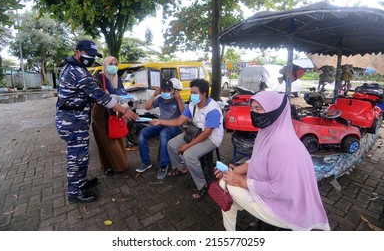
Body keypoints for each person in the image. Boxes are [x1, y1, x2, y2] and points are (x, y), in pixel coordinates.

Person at [214, 91, 330, 231]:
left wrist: (241, 181)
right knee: (228, 181)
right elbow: (257, 159)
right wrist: (235, 171)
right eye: (252, 108)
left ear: (275, 111)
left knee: (224, 183)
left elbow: (281, 190)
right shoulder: (270, 131)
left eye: (258, 109)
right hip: (281, 196)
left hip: (288, 208)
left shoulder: (282, 144)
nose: (253, 113)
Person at [55, 40, 139, 203]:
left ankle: (80, 183)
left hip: (75, 120)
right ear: (77, 52)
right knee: (76, 157)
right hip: (72, 122)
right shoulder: (77, 72)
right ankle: (75, 192)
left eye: (94, 56)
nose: (92, 58)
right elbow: (100, 96)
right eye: (89, 55)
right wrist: (125, 111)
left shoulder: (75, 67)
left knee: (81, 155)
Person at [151, 79, 224, 200]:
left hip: (211, 138)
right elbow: (179, 121)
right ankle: (181, 168)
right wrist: (160, 121)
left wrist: (187, 147)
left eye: (195, 92)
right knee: (171, 144)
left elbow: (207, 133)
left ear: (204, 94)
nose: (192, 95)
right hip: (195, 132)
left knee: (189, 155)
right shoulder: (192, 105)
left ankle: (203, 185)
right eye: (191, 92)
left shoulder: (213, 109)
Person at [136, 78, 186, 180]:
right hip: (162, 124)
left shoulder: (177, 100)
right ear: (161, 91)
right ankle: (146, 162)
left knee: (164, 134)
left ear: (173, 91)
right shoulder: (160, 99)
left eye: (169, 90)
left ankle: (164, 165)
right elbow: (147, 107)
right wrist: (154, 95)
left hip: (175, 127)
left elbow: (184, 114)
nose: (166, 93)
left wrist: (179, 99)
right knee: (143, 133)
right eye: (164, 90)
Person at [91, 56, 130, 177]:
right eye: (110, 64)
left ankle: (120, 164)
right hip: (101, 116)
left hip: (116, 113)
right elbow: (95, 97)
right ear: (105, 65)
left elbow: (122, 93)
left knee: (118, 137)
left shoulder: (117, 79)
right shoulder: (98, 78)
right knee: (106, 142)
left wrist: (126, 102)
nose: (113, 66)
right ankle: (108, 166)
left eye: (115, 64)